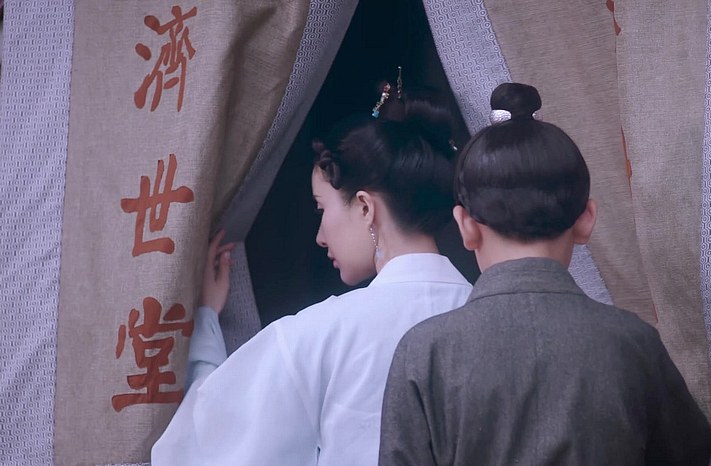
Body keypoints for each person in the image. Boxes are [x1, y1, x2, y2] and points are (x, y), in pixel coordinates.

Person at [378, 82, 711, 465]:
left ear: (466, 227)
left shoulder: (425, 352)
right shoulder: (633, 343)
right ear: (586, 220)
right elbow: (690, 453)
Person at [152, 84, 472, 465]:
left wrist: (205, 322)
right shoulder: (494, 317)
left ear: (365, 207)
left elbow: (205, 443)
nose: (320, 237)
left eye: (322, 208)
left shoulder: (320, 334)